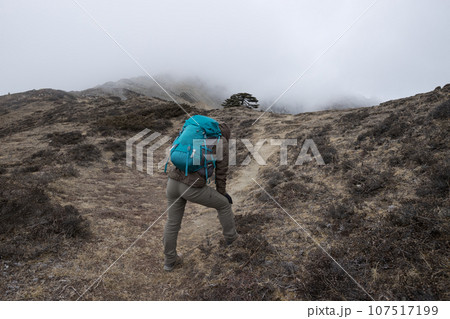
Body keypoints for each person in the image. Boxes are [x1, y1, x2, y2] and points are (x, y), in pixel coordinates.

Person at [163, 119, 238, 271]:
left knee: (172, 222)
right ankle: (233, 240)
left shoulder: (196, 131)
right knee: (223, 204)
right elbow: (221, 173)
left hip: (172, 183)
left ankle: (169, 261)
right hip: (191, 187)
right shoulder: (220, 141)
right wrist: (222, 193)